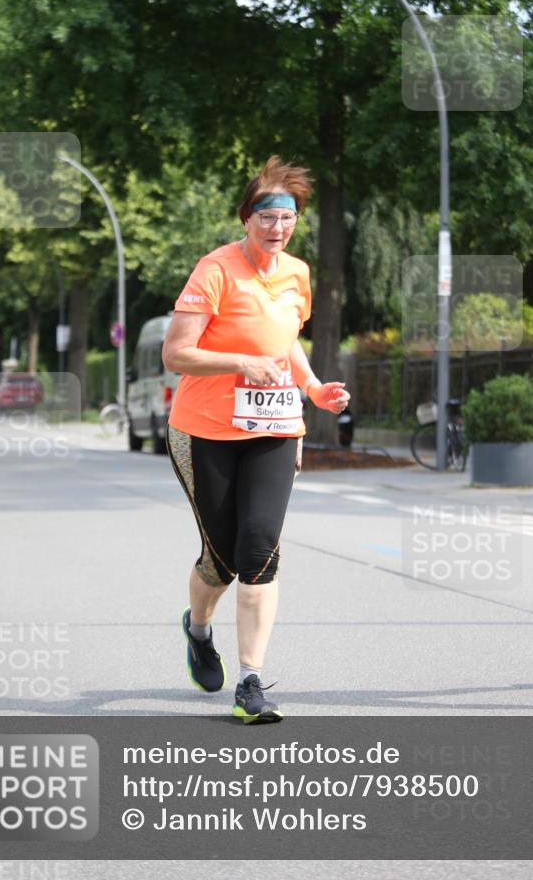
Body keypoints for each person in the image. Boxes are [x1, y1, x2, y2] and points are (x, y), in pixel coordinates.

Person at [162, 156, 351, 723]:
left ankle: (250, 683)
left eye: (287, 216)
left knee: (259, 551)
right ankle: (197, 629)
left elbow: (288, 339)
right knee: (220, 560)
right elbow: (176, 353)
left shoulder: (296, 274)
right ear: (247, 217)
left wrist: (313, 388)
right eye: (267, 215)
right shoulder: (215, 270)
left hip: (274, 428)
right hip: (204, 432)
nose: (277, 226)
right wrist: (241, 362)